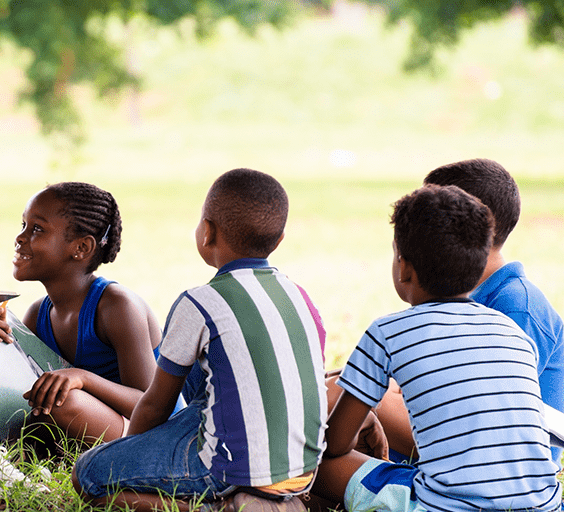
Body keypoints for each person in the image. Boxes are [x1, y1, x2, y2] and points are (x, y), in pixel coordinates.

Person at [73, 168, 327, 511]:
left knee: (89, 474)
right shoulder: (301, 297)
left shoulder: (200, 302)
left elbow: (156, 404)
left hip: (230, 468)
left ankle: (221, 508)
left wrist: (130, 452)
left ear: (207, 232)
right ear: (278, 240)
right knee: (208, 363)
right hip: (302, 472)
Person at [313, 184, 561, 511]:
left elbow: (336, 444)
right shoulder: (512, 330)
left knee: (315, 462)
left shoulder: (386, 331)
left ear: (403, 266)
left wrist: (366, 421)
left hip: (441, 505)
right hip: (542, 505)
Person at [370, 158, 564, 464]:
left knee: (365, 398)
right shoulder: (452, 292)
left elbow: (489, 415)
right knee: (348, 389)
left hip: (495, 459)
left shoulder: (518, 306)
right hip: (455, 441)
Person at [0, 182, 165, 449]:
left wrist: (83, 378)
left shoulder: (117, 306)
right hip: (94, 430)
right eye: (23, 226)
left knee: (63, 401)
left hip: (153, 437)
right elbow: (18, 395)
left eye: (37, 229)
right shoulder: (38, 314)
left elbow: (151, 406)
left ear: (81, 248)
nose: (20, 237)